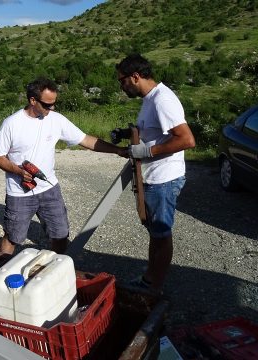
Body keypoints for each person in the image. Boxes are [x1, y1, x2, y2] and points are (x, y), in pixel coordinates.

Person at [0, 77, 128, 255]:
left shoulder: (56, 120)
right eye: (47, 105)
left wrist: (117, 150)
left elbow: (86, 140)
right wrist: (18, 171)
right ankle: (0, 270)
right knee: (13, 237)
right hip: (19, 193)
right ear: (32, 100)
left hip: (50, 190)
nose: (52, 108)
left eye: (54, 103)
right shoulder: (12, 124)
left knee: (60, 234)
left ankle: (57, 267)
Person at [115, 54, 196, 294]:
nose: (121, 86)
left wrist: (148, 151)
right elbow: (155, 131)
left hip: (163, 179)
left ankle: (154, 289)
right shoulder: (150, 99)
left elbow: (187, 139)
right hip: (154, 177)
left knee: (161, 235)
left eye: (122, 81)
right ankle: (150, 279)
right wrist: (127, 133)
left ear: (135, 76)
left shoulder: (162, 100)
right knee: (155, 233)